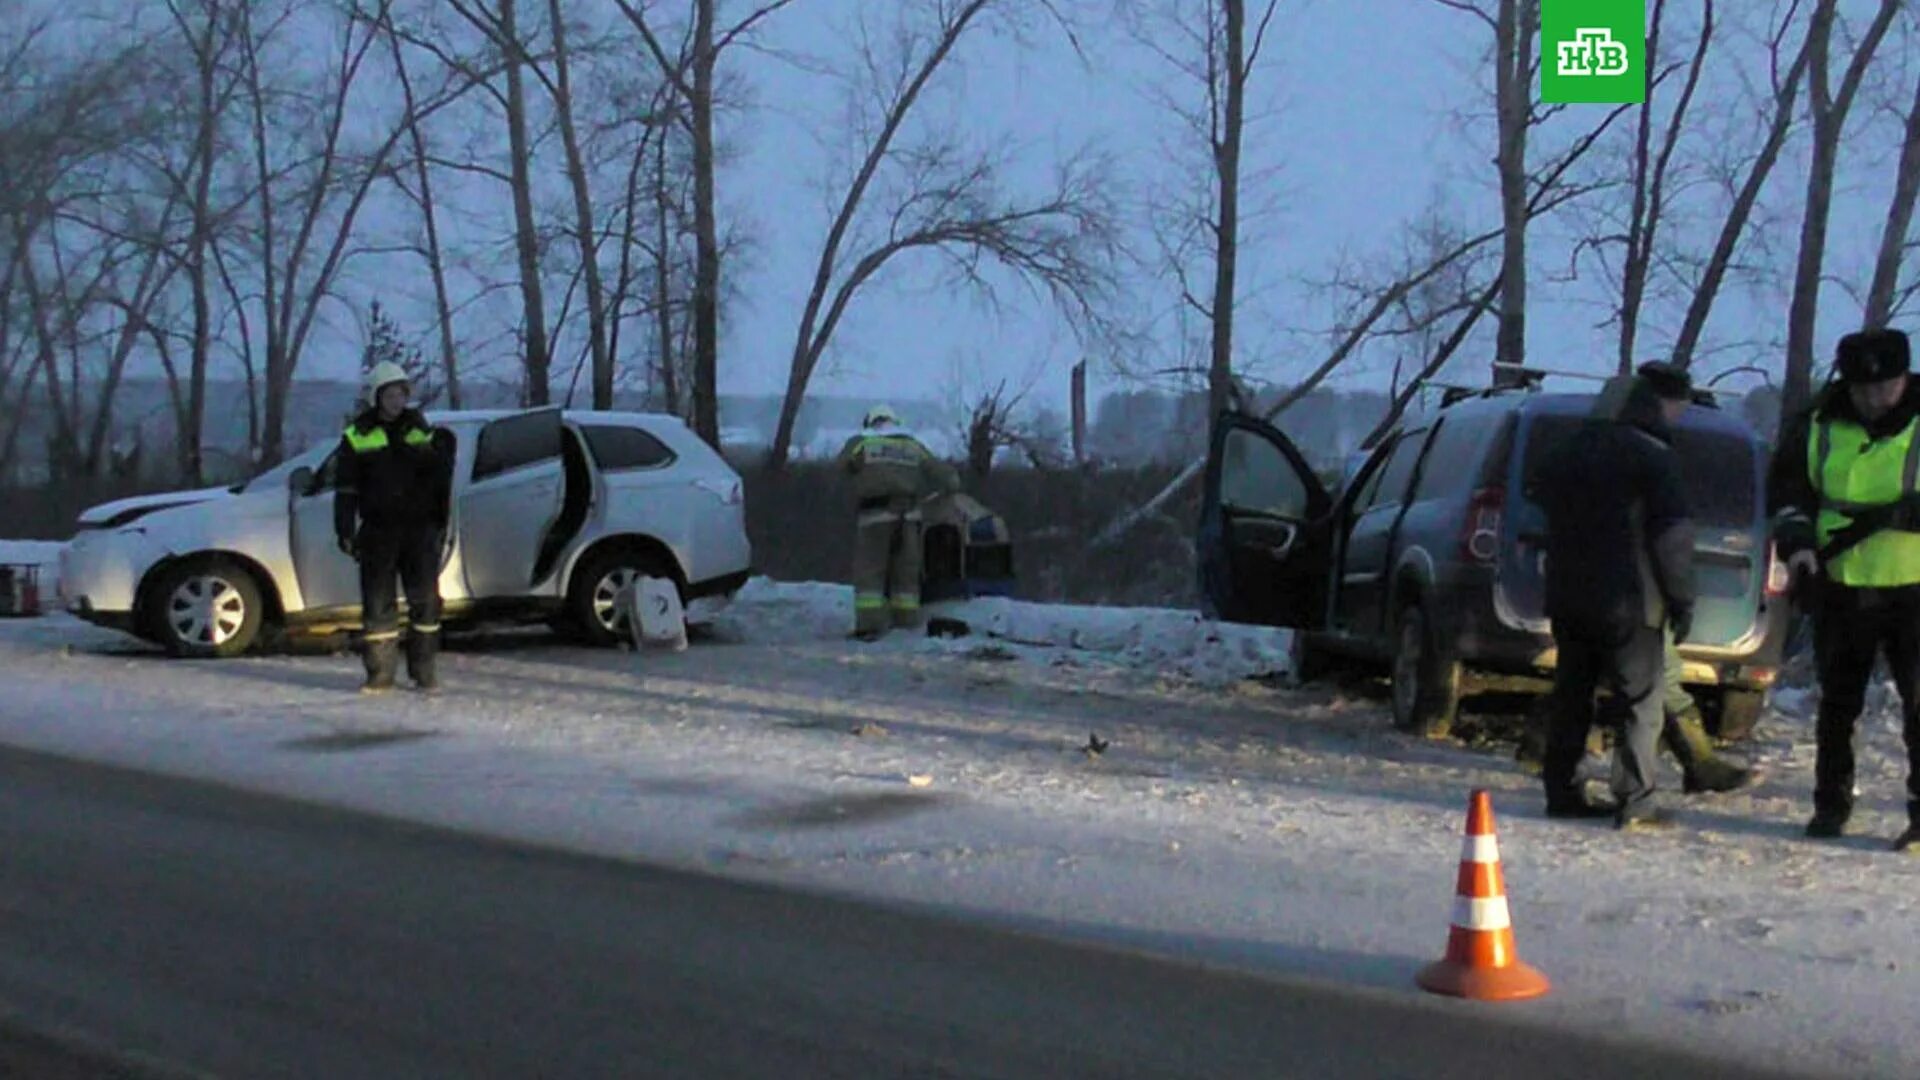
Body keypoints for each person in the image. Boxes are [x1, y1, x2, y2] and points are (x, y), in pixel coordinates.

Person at [1769, 328, 1920, 847]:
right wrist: (1799, 547)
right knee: (1837, 705)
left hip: (1914, 587)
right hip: (1840, 583)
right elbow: (1789, 489)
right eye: (1863, 389)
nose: (1875, 398)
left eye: (1886, 387)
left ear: (1904, 377)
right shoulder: (1818, 421)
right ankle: (1829, 806)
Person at [1528, 367, 1697, 829]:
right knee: (1639, 701)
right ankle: (1636, 802)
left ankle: (1561, 790)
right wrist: (1682, 600)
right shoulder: (1653, 458)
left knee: (1572, 696)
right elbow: (1672, 539)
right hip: (1630, 600)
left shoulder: (1565, 452)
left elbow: (1534, 495)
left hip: (1567, 596)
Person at [335, 361, 454, 693]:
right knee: (378, 604)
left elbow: (439, 481)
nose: (396, 401)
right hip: (378, 530)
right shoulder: (358, 435)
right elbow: (346, 489)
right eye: (389, 394)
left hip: (418, 530)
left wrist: (439, 521)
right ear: (377, 397)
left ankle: (424, 672)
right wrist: (344, 530)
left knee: (425, 601)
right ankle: (380, 673)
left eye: (401, 394)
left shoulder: (420, 430)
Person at [837, 404, 960, 640]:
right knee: (906, 573)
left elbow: (842, 466)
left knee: (870, 572)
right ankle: (906, 624)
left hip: (875, 517)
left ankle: (870, 626)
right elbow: (946, 477)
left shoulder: (862, 442)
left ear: (871, 422)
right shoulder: (912, 445)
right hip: (909, 519)